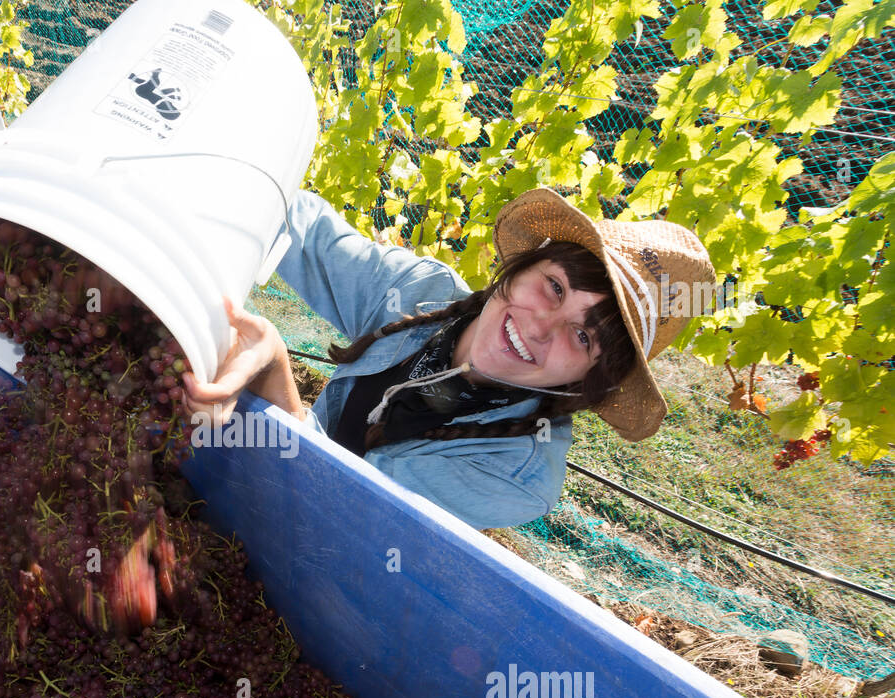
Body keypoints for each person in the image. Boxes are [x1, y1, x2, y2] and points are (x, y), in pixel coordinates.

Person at [181, 187, 717, 530]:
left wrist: (277, 373)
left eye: (583, 337)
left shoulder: (517, 473)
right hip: (255, 494)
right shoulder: (424, 294)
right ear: (519, 268)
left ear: (589, 380)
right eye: (553, 287)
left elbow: (338, 510)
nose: (540, 325)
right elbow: (306, 232)